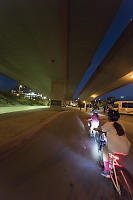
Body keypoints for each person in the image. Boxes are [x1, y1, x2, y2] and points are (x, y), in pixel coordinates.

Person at [101, 109, 131, 178]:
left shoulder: (108, 124)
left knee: (105, 150)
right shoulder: (121, 124)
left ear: (109, 117)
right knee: (115, 148)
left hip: (114, 148)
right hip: (126, 148)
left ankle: (107, 172)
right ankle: (114, 164)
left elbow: (101, 129)